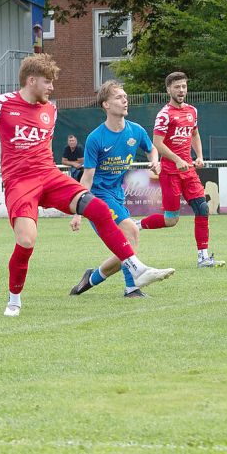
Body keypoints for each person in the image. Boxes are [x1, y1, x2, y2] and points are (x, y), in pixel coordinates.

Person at [0, 53, 174, 317]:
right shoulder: (1, 104)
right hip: (20, 182)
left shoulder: (51, 109)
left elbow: (44, 145)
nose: (51, 88)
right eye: (47, 82)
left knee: (98, 209)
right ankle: (14, 299)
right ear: (31, 80)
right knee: (26, 241)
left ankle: (136, 269)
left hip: (49, 175)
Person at [68, 81, 161, 298]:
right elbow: (87, 177)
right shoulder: (96, 138)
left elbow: (151, 149)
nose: (125, 100)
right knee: (131, 231)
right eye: (119, 97)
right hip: (98, 197)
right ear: (106, 105)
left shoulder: (135, 131)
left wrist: (155, 161)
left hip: (117, 195)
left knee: (127, 246)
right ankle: (131, 288)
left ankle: (91, 279)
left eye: (125, 96)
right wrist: (77, 212)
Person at [140, 72, 225, 268]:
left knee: (203, 209)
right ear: (168, 89)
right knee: (171, 220)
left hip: (188, 171)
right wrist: (177, 160)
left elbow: (195, 134)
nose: (181, 91)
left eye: (184, 87)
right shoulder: (164, 115)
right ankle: (135, 225)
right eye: (177, 87)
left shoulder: (192, 111)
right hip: (170, 172)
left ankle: (203, 257)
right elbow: (157, 144)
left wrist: (200, 156)